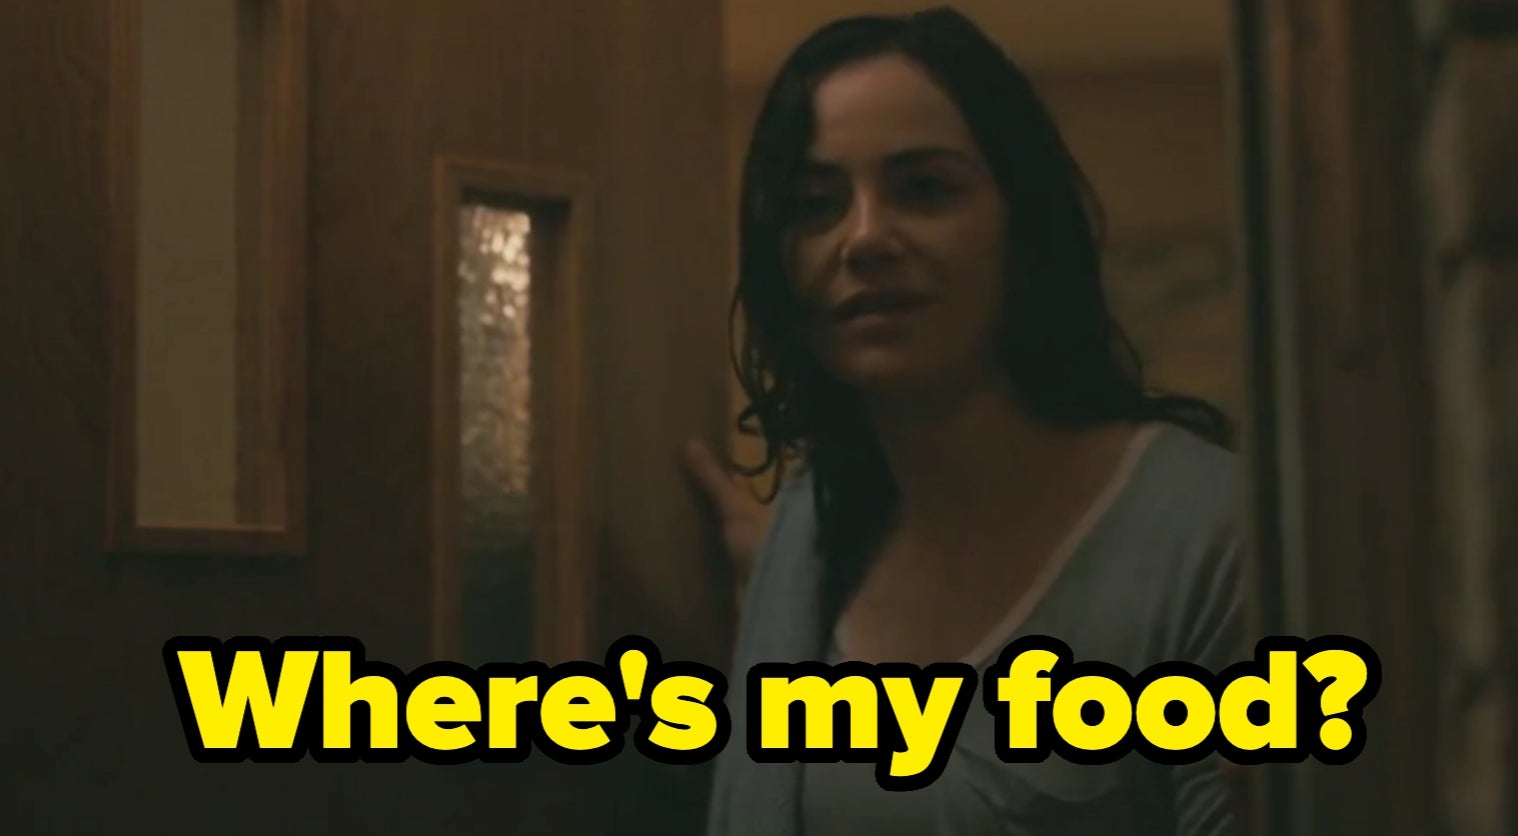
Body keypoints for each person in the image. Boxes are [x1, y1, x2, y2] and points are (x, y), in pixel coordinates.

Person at [683, 7, 1248, 836]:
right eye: (816, 204)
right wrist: (769, 576)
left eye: (925, 190)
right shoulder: (816, 533)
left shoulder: (1206, 534)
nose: (864, 238)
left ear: (1023, 237)